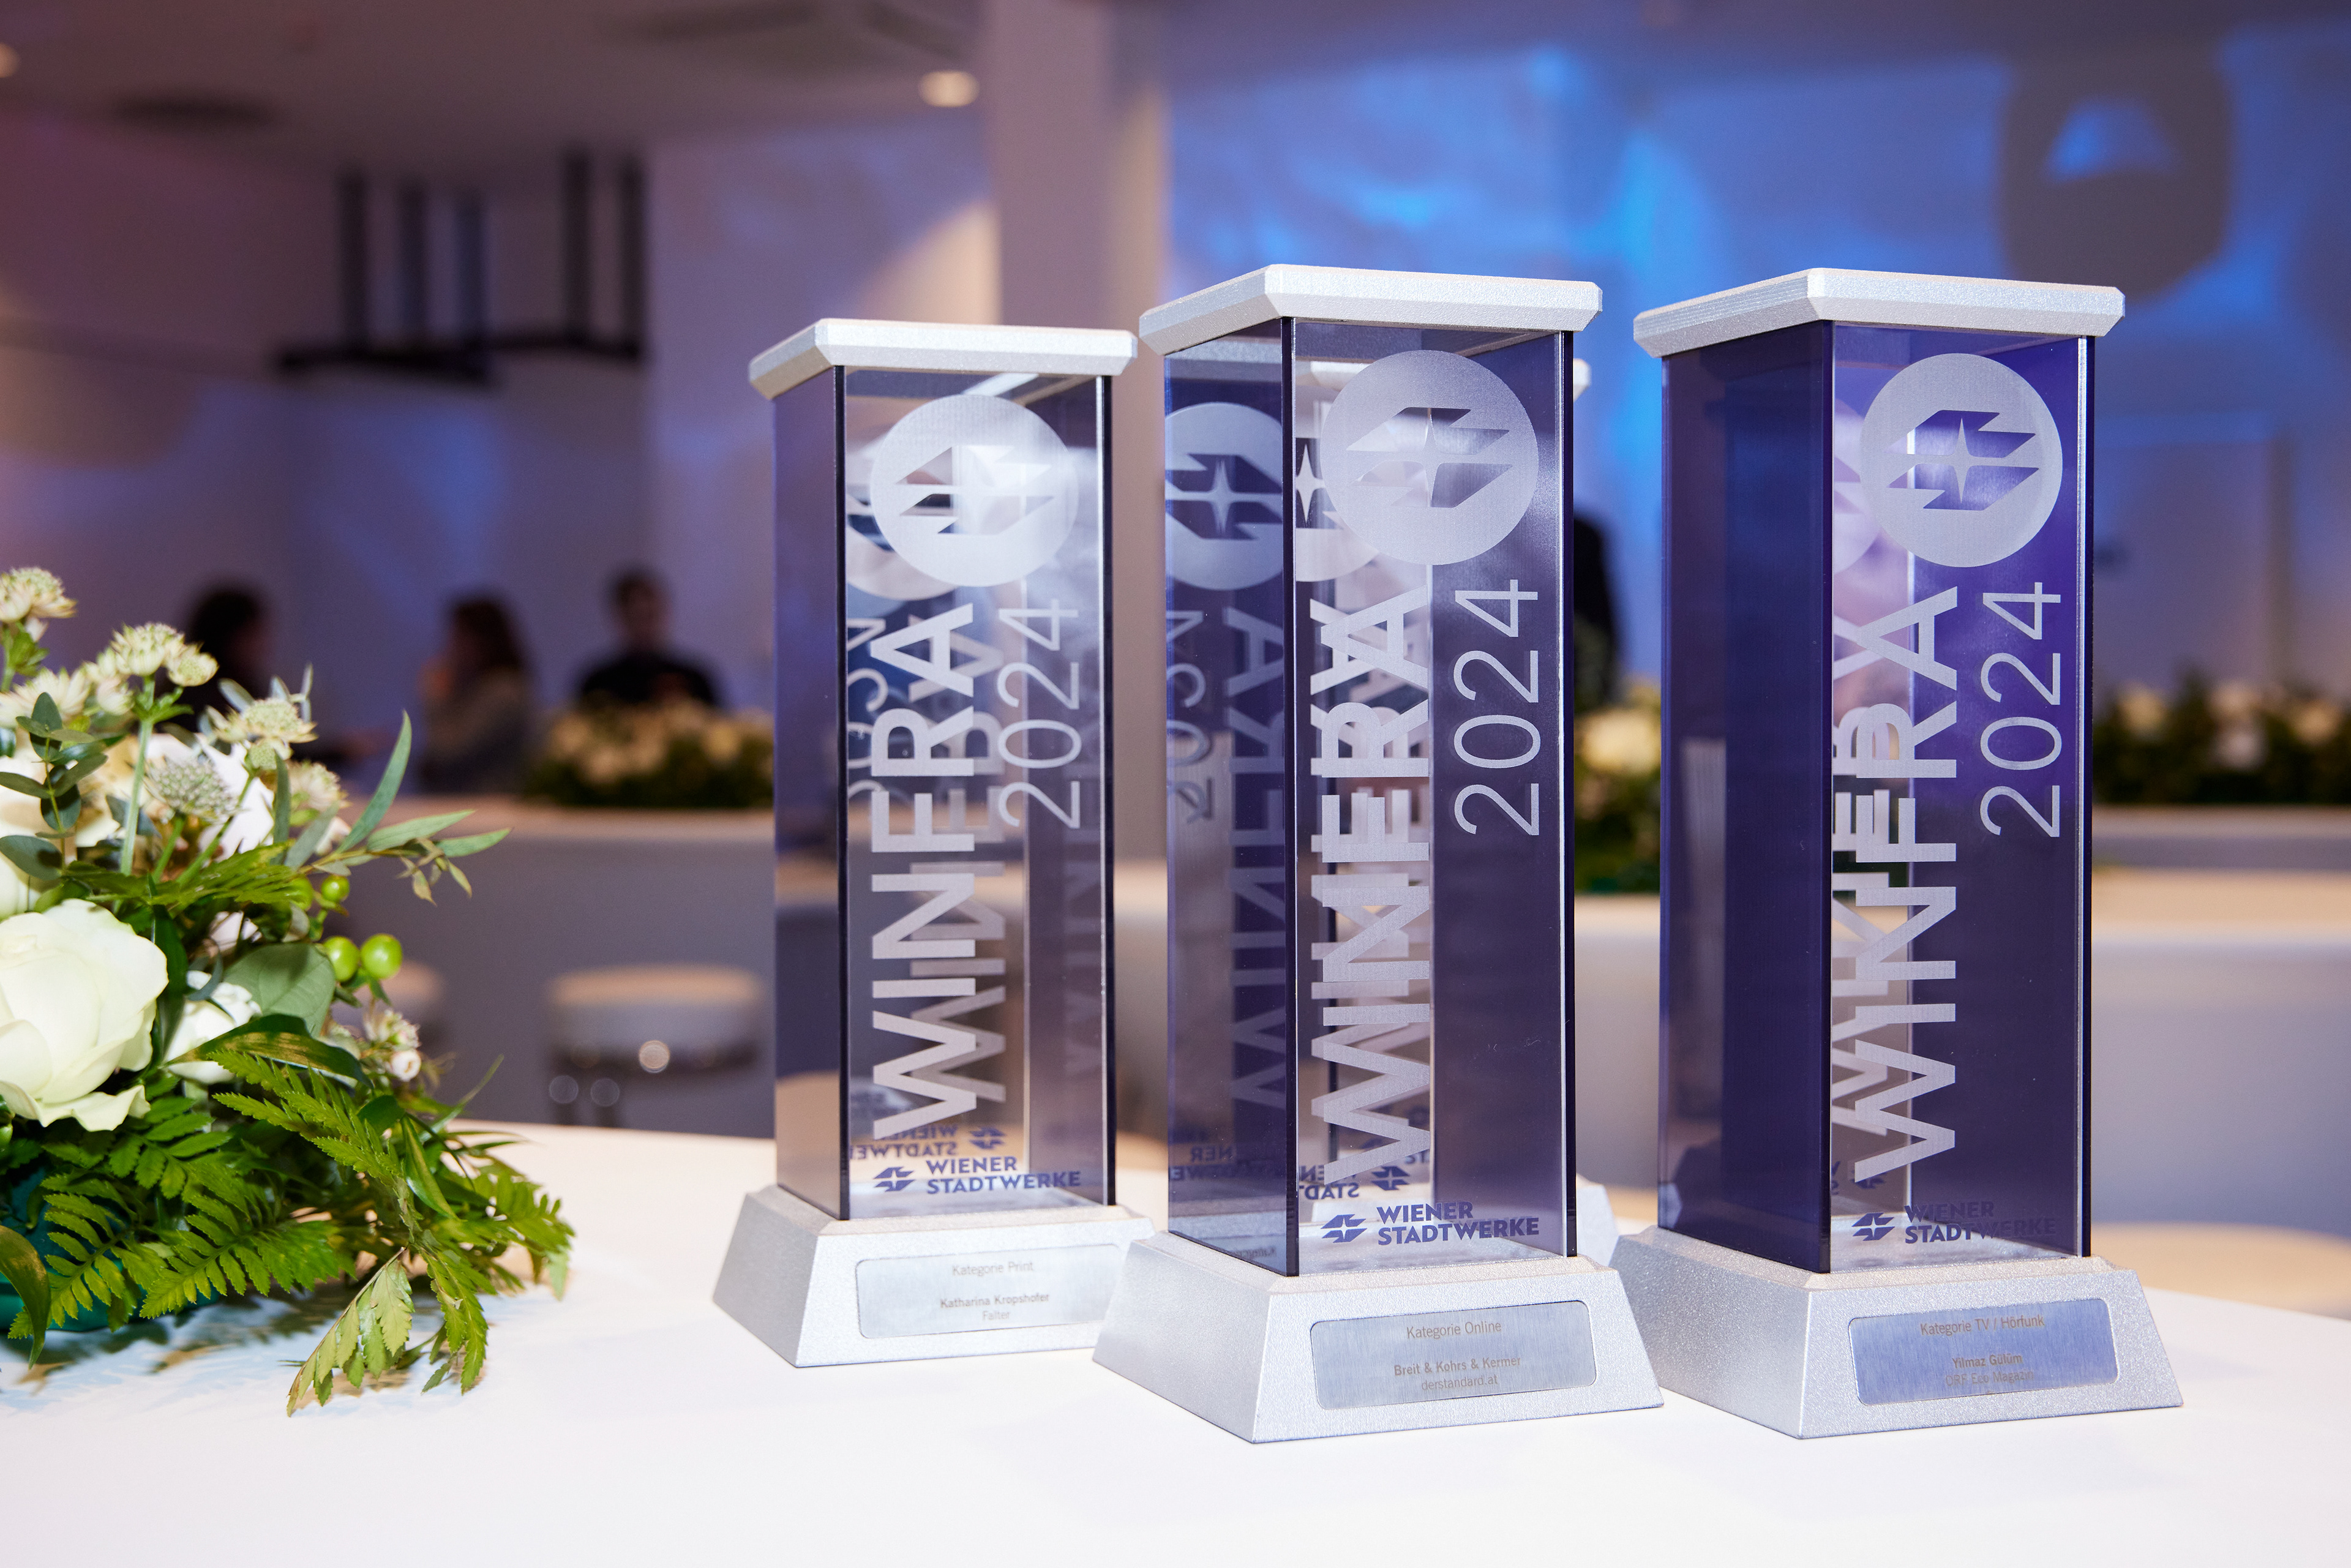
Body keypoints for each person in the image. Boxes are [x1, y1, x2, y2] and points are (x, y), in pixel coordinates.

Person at [418, 595, 536, 794]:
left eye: (459, 637)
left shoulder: (504, 691)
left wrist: (435, 698)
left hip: (492, 804)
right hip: (475, 803)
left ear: (483, 640)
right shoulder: (477, 687)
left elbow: (446, 750)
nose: (451, 647)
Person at [577, 568, 722, 709]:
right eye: (635, 617)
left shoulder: (693, 680)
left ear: (664, 614)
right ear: (620, 618)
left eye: (650, 616)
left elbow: (716, 722)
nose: (643, 627)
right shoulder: (600, 684)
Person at [181, 584, 271, 718]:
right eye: (251, 636)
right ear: (226, 638)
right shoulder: (201, 695)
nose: (263, 646)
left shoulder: (252, 686)